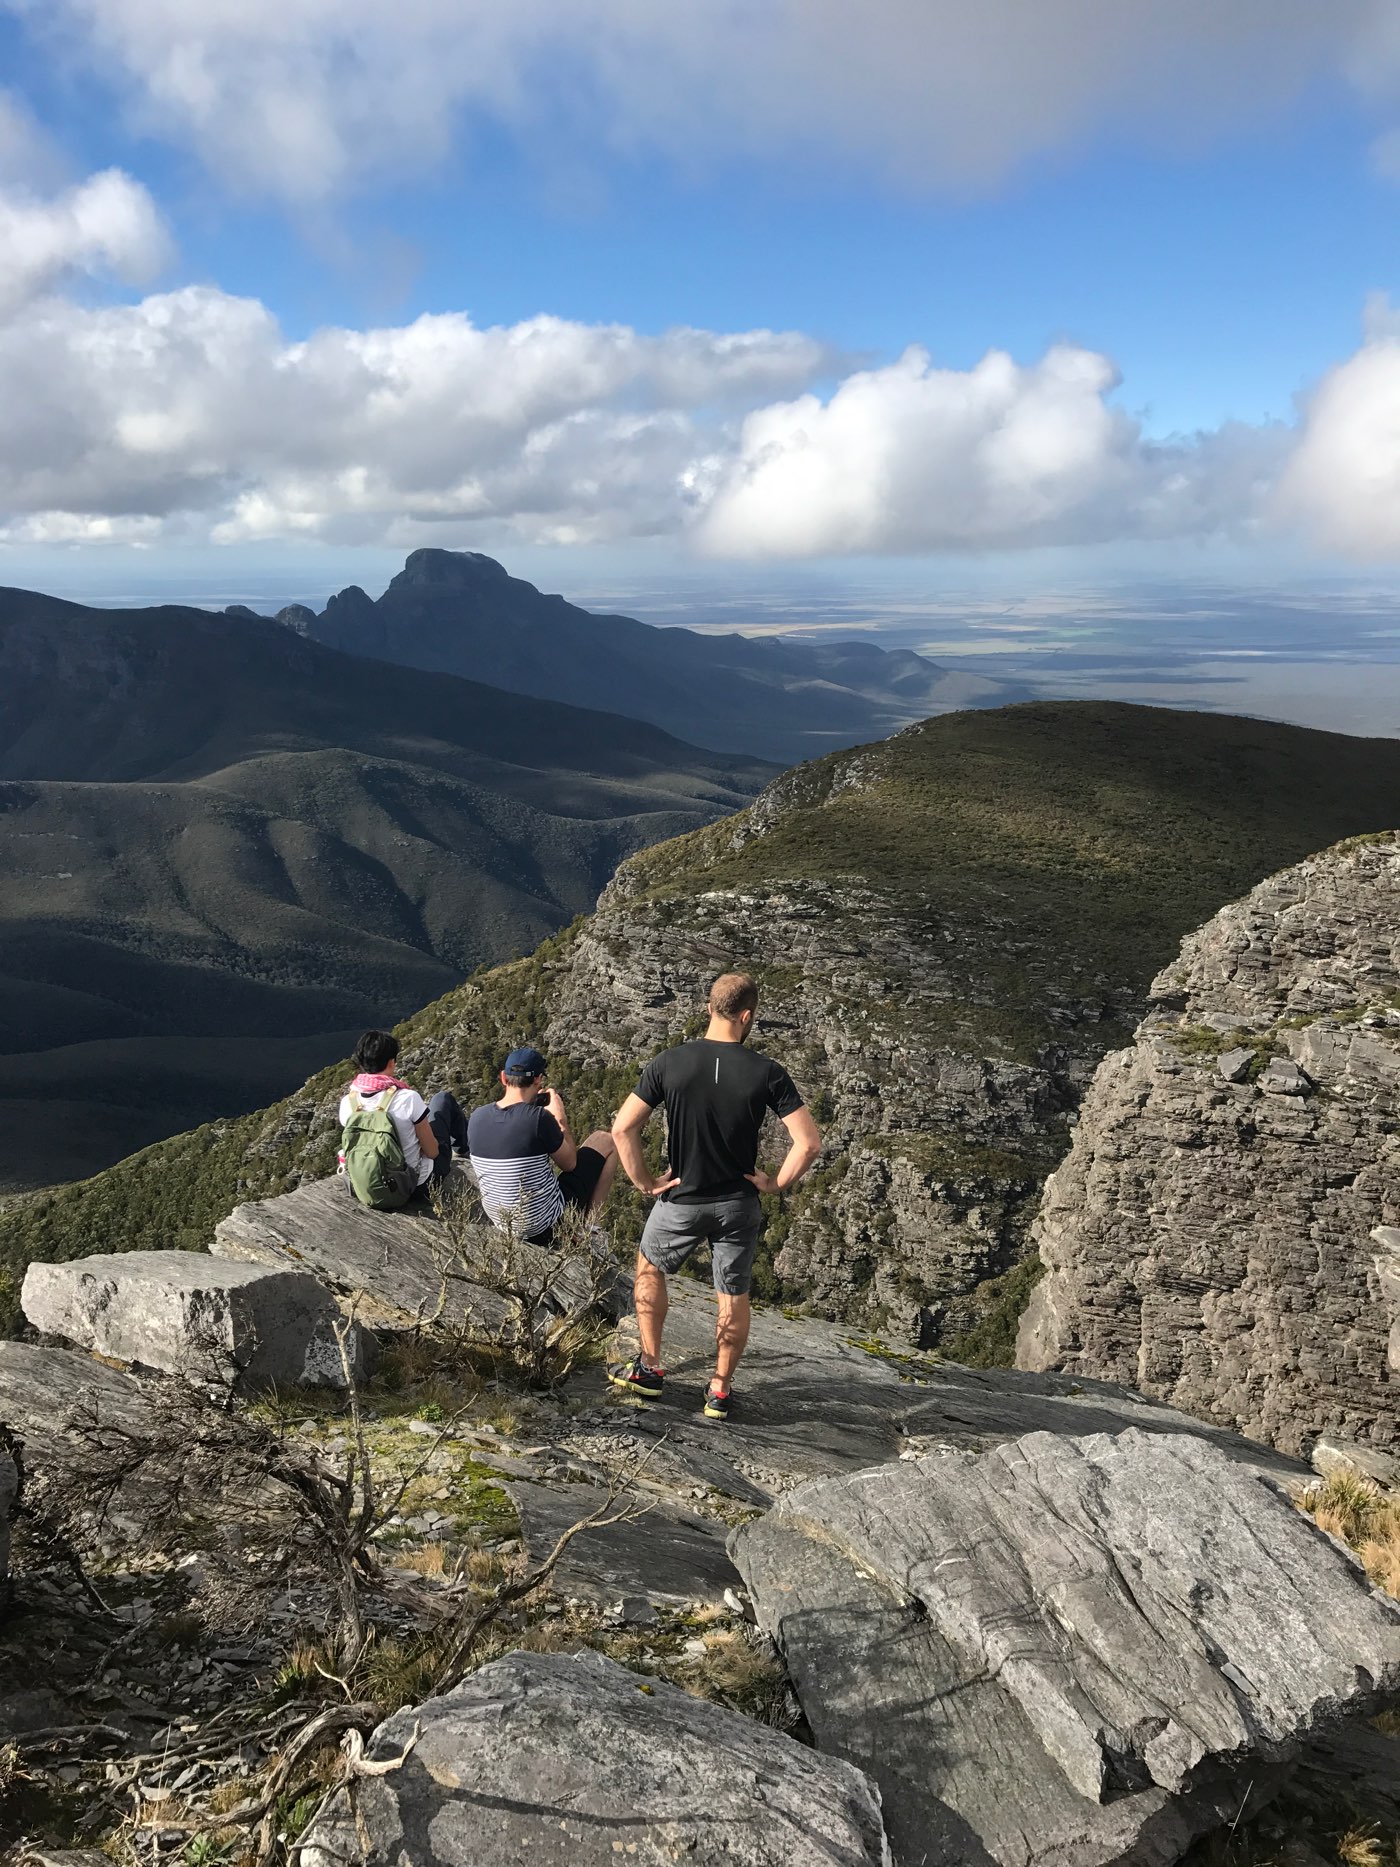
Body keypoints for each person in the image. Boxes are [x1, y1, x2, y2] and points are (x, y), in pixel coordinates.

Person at [609, 972, 822, 1420]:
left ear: (709, 1008)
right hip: (737, 1203)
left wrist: (645, 1182)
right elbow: (808, 1143)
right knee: (732, 1295)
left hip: (681, 1200)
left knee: (649, 1269)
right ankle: (720, 1391)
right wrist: (776, 1183)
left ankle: (649, 1368)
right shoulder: (767, 1072)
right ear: (747, 1016)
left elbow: (623, 1128)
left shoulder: (668, 1063)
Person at [467, 1046, 618, 1245]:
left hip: (504, 1223)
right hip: (543, 1227)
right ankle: (590, 1229)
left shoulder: (477, 1117)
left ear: (504, 1078)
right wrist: (560, 1120)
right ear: (538, 1080)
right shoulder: (538, 1119)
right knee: (608, 1140)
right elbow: (570, 1164)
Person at [337, 1029, 469, 1207]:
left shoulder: (348, 1102)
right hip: (414, 1186)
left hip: (366, 1186)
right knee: (442, 1100)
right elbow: (432, 1152)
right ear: (391, 1062)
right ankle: (462, 1149)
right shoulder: (407, 1098)